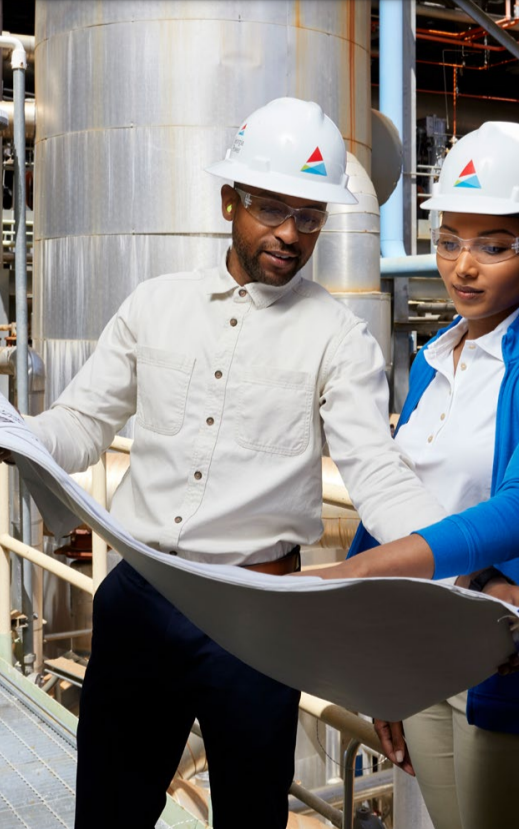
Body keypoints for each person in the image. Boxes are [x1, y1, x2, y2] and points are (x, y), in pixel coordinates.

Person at [23, 96, 457, 829]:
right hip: (143, 596)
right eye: (270, 209)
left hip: (261, 617)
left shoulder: (337, 338)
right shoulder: (153, 305)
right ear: (229, 199)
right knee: (108, 812)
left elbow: (377, 478)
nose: (290, 234)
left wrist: (463, 570)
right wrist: (22, 434)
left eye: (310, 216)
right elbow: (79, 424)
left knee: (252, 818)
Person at [303, 122, 519, 829]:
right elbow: (391, 498)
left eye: (493, 245)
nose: (462, 266)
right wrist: (378, 666)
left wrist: (350, 577)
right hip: (421, 656)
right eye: (449, 238)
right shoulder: (432, 357)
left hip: (511, 661)